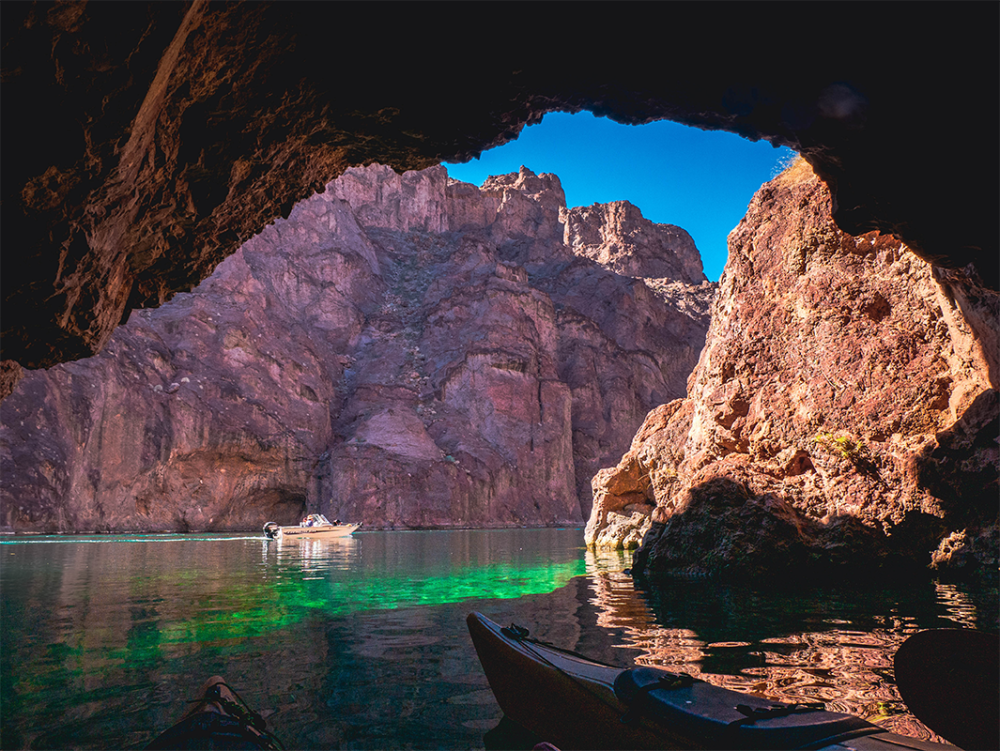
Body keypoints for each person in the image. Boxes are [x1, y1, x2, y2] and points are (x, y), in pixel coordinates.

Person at [145, 676, 284, 750]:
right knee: (216, 682)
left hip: (190, 733)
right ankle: (224, 710)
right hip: (230, 734)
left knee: (215, 682)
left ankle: (208, 708)